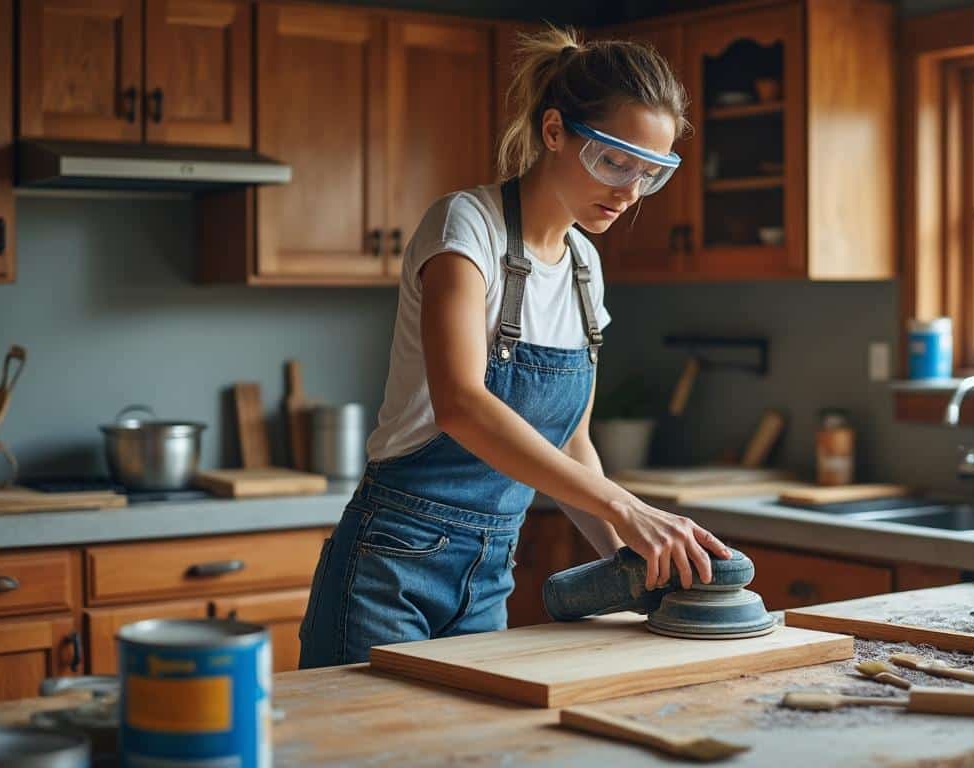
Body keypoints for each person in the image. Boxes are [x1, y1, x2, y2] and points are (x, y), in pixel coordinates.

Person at [298, 25, 731, 667]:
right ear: (554, 132)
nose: (629, 192)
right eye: (615, 161)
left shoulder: (585, 265)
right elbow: (461, 404)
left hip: (491, 575)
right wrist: (629, 507)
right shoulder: (465, 227)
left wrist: (634, 569)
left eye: (650, 172)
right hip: (389, 564)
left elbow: (572, 444)